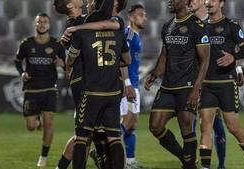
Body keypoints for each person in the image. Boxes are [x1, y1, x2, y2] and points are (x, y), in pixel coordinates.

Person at [53, 0, 123, 168]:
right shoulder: (77, 22)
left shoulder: (79, 24)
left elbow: (112, 23)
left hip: (93, 81)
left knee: (95, 132)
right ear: (70, 6)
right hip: (84, 82)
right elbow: (111, 22)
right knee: (86, 133)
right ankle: (62, 166)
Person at [144, 0, 210, 168]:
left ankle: (188, 165)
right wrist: (154, 75)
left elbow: (205, 60)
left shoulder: (197, 25)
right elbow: (164, 55)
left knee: (187, 130)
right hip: (167, 87)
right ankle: (187, 161)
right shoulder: (168, 25)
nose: (170, 2)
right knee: (155, 127)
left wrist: (196, 90)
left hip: (187, 87)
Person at [199, 0, 244, 169]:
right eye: (206, 0)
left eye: (212, 0)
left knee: (233, 127)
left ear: (221, 3)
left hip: (226, 83)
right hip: (207, 84)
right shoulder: (200, 26)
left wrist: (233, 58)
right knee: (205, 127)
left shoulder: (231, 25)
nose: (208, 3)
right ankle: (205, 167)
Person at [14, 13, 66, 167]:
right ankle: (37, 123)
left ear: (49, 25)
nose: (42, 24)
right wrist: (22, 73)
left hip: (50, 88)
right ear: (34, 25)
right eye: (39, 22)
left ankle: (43, 157)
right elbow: (17, 61)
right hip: (31, 89)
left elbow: (66, 64)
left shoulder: (57, 44)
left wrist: (62, 64)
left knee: (49, 123)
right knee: (30, 126)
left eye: (45, 22)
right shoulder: (26, 44)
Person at [188, 0, 227, 168]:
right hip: (195, 81)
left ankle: (221, 164)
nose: (191, 3)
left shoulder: (215, 24)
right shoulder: (190, 25)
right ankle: (196, 160)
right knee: (192, 122)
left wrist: (238, 71)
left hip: (212, 82)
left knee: (215, 124)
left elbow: (229, 49)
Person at [120, 4, 147, 169]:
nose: (144, 18)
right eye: (140, 15)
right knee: (129, 120)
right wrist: (127, 83)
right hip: (127, 84)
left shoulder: (136, 36)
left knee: (133, 121)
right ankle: (105, 146)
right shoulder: (128, 35)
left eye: (144, 15)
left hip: (133, 83)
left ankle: (130, 162)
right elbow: (121, 60)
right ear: (131, 17)